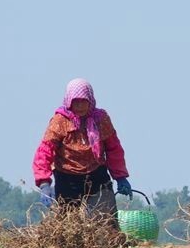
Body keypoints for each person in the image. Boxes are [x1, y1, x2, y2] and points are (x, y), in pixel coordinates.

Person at [32, 78, 132, 218]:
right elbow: (45, 151)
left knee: (105, 223)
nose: (79, 106)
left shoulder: (101, 119)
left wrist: (120, 176)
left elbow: (113, 149)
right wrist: (44, 182)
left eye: (83, 101)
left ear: (90, 100)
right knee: (68, 226)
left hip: (96, 176)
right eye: (75, 102)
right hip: (67, 178)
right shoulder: (60, 121)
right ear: (69, 101)